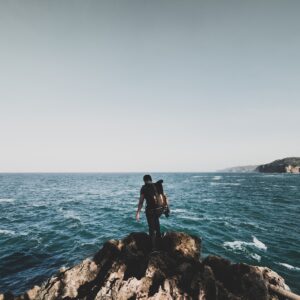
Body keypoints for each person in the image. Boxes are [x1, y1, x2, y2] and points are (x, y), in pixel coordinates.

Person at [136, 174, 169, 250]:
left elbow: (141, 202)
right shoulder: (158, 185)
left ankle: (154, 248)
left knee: (152, 229)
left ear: (144, 181)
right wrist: (167, 209)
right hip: (160, 210)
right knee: (156, 222)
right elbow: (165, 197)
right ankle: (160, 241)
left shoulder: (144, 188)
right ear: (151, 179)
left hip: (151, 211)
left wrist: (138, 213)